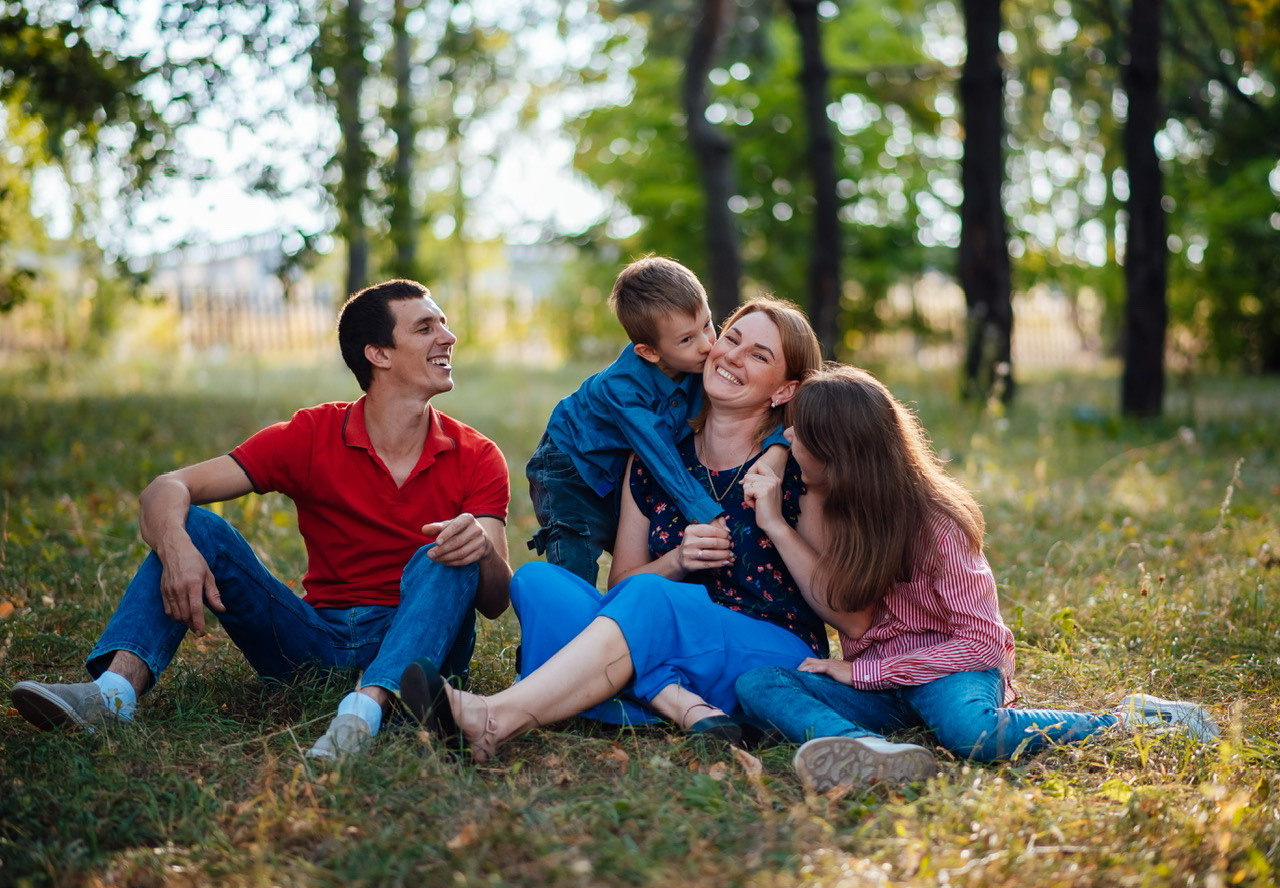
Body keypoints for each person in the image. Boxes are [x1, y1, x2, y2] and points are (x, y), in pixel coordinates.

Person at [9, 279, 513, 762]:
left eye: (443, 324)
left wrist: (481, 548)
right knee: (197, 527)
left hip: (419, 661)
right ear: (378, 354)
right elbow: (167, 488)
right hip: (315, 642)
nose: (448, 336)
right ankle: (112, 695)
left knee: (448, 551)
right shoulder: (311, 434)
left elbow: (493, 602)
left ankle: (363, 713)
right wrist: (176, 547)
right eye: (425, 328)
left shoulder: (478, 456)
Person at [732, 365, 1220, 792]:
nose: (787, 440)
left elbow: (983, 642)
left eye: (798, 434)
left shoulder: (936, 524)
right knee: (759, 684)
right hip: (884, 689)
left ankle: (1131, 720)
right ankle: (866, 751)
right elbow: (840, 604)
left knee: (970, 733)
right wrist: (775, 520)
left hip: (948, 669)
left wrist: (863, 673)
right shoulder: (831, 507)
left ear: (838, 452)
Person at [400, 297, 825, 758]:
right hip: (661, 634)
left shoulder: (796, 467)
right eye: (732, 338)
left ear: (784, 391)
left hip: (766, 651)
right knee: (536, 581)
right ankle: (677, 702)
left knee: (648, 600)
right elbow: (622, 582)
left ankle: (493, 718)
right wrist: (678, 560)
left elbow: (836, 590)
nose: (732, 356)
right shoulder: (651, 459)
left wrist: (781, 459)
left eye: (759, 355)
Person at [527, 255, 779, 587]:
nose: (707, 345)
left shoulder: (696, 365)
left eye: (707, 324)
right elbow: (659, 455)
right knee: (576, 556)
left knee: (650, 537)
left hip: (617, 469)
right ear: (649, 352)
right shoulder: (622, 389)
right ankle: (559, 630)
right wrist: (707, 512)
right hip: (569, 467)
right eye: (687, 339)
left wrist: (780, 444)